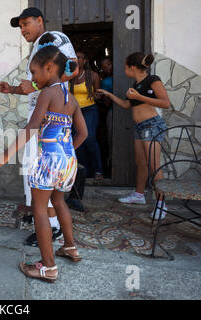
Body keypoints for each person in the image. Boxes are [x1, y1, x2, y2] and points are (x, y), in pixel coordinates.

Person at [0, 33, 87, 282]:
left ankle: (47, 267)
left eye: (34, 73)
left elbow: (32, 128)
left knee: (39, 209)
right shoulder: (71, 98)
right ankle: (70, 247)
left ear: (49, 68)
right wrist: (68, 153)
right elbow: (84, 133)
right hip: (68, 161)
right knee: (59, 202)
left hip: (48, 161)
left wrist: (7, 153)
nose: (32, 79)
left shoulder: (47, 94)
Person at [0, 7, 79, 247]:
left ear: (40, 21)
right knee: (40, 177)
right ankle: (51, 225)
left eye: (26, 24)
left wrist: (35, 85)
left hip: (47, 122)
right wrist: (14, 89)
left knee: (37, 175)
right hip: (50, 120)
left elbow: (72, 68)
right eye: (20, 26)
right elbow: (38, 84)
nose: (23, 30)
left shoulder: (50, 38)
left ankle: (50, 229)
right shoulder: (40, 46)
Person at [97, 53, 171, 220]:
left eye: (125, 66)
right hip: (140, 127)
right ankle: (139, 195)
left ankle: (161, 203)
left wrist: (139, 97)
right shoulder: (136, 84)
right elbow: (126, 104)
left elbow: (165, 103)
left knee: (154, 166)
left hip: (151, 125)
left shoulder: (153, 80)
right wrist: (108, 95)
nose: (123, 69)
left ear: (132, 67)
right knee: (141, 163)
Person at [69, 50, 103, 181]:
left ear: (84, 61)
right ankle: (83, 172)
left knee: (90, 139)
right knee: (77, 141)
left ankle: (98, 169)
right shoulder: (69, 76)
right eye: (75, 58)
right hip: (73, 111)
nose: (77, 60)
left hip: (89, 109)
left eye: (79, 58)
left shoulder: (93, 75)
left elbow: (98, 95)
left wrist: (96, 95)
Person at [99, 56, 113, 169]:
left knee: (111, 140)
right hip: (113, 113)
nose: (108, 68)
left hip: (112, 113)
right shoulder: (105, 82)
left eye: (109, 64)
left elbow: (107, 103)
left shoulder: (106, 82)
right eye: (104, 67)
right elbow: (106, 104)